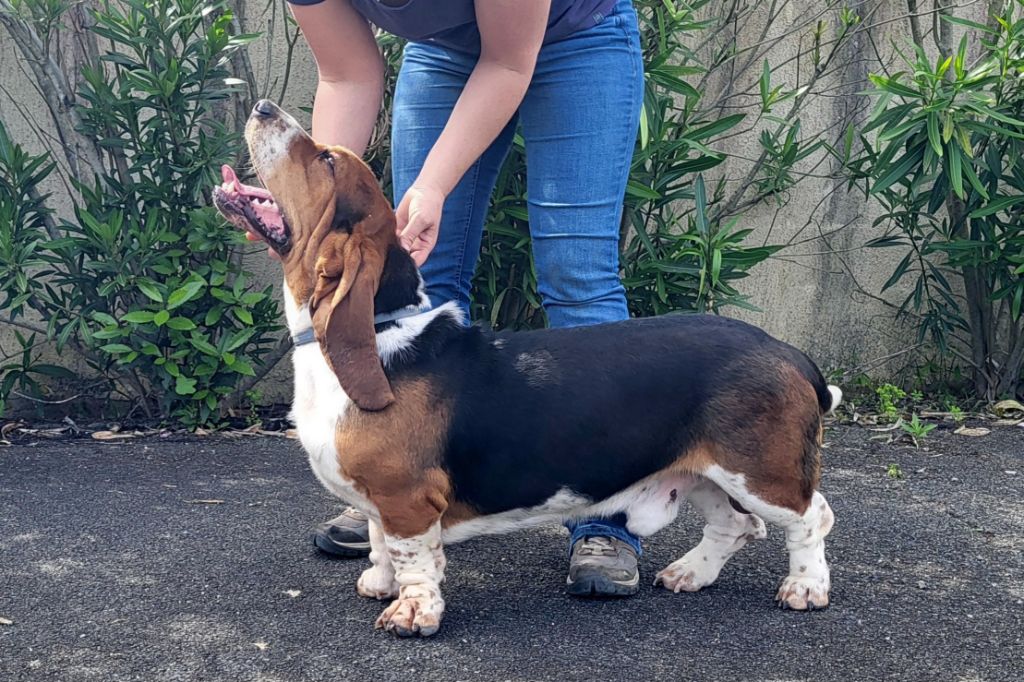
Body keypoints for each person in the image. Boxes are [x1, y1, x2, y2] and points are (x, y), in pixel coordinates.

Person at [278, 0, 645, 596]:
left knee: (578, 276)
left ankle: (605, 520)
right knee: (427, 276)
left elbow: (507, 62)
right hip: (447, 54)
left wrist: (433, 185)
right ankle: (395, 489)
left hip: (580, 41)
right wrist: (313, 209)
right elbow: (347, 74)